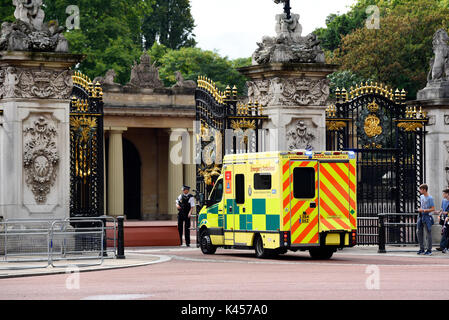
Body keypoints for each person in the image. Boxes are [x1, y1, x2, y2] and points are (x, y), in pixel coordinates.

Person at [417, 184, 435, 256]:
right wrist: (420, 210)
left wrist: (424, 210)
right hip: (420, 216)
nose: (419, 190)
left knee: (428, 233)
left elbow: (433, 208)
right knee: (418, 232)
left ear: (424, 189)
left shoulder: (430, 198)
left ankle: (429, 250)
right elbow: (422, 206)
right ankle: (422, 249)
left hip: (427, 217)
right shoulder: (421, 197)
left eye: (420, 189)